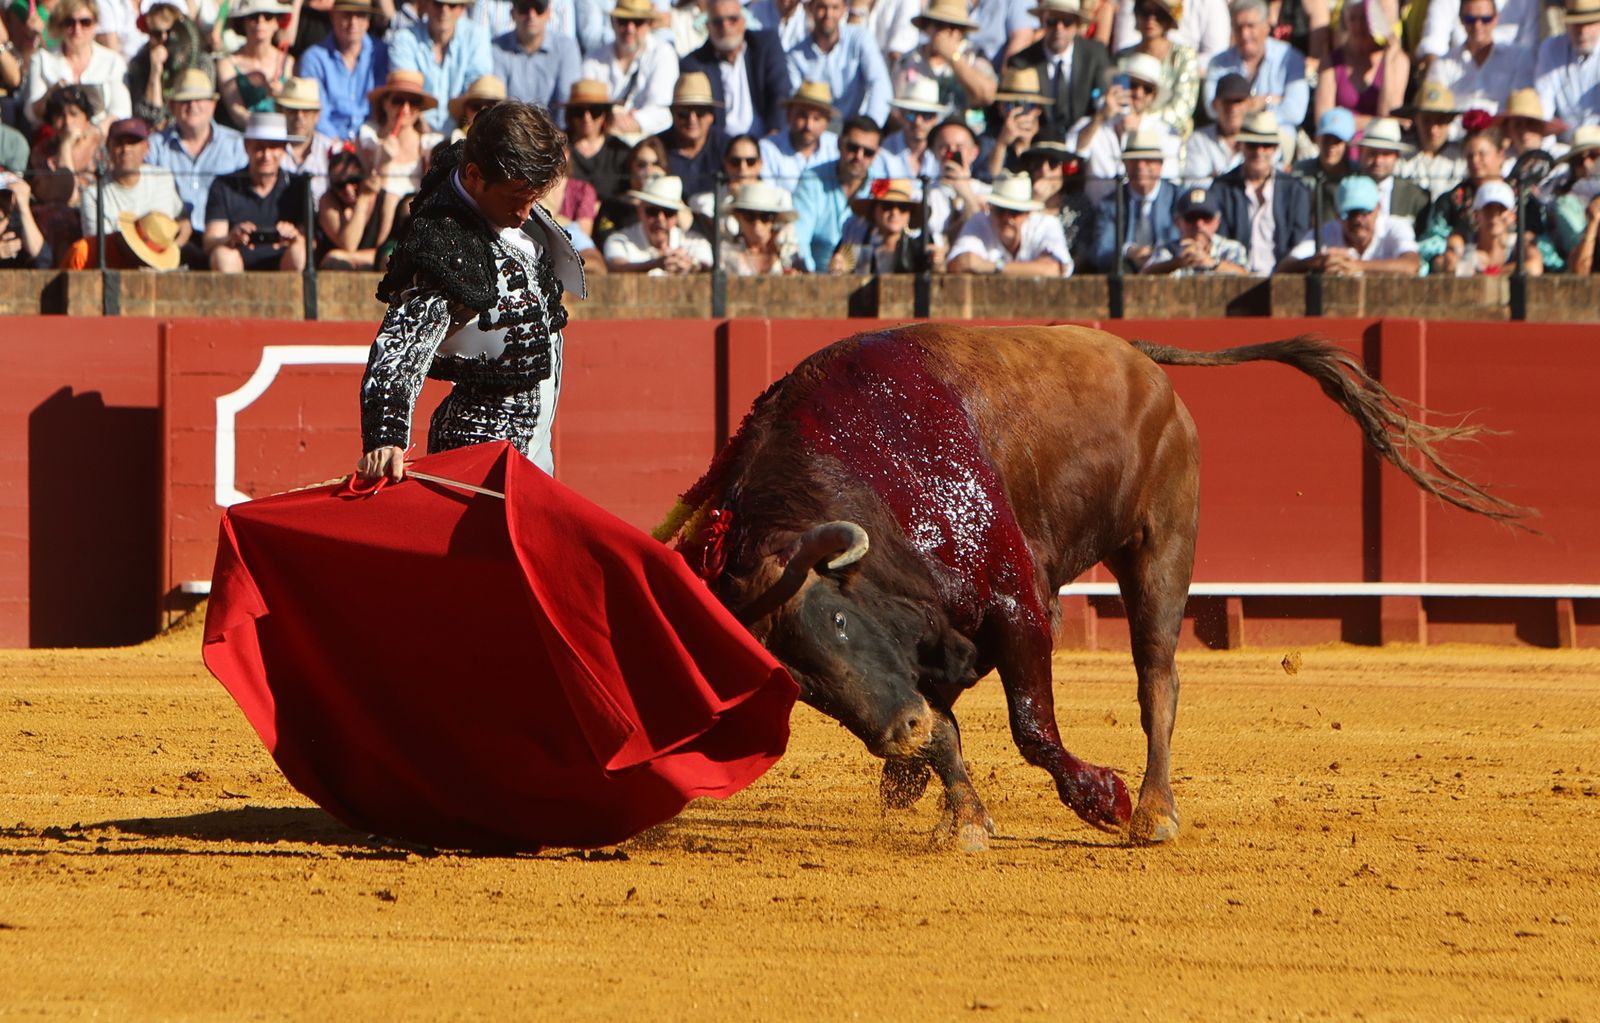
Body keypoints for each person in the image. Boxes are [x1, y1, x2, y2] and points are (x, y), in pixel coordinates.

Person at [358, 100, 585, 480]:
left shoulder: (495, 178)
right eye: (516, 199)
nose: (526, 213)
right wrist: (386, 434)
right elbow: (399, 347)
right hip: (477, 455)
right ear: (475, 177)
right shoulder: (446, 243)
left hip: (533, 449)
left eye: (533, 199)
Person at [145, 67, 248, 265]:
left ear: (213, 104)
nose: (193, 106)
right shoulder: (154, 146)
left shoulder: (236, 146)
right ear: (172, 106)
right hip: (169, 240)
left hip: (224, 240)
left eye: (200, 99)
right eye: (185, 101)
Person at [204, 111, 312, 271]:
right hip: (238, 263)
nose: (267, 155)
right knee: (222, 255)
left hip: (285, 263)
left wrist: (295, 236)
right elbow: (210, 242)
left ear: (283, 149)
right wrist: (231, 237)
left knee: (300, 251)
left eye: (274, 147)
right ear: (247, 146)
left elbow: (312, 242)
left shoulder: (297, 186)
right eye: (259, 147)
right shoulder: (224, 185)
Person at [1067, 51, 1178, 200]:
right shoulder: (1093, 124)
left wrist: (1136, 137)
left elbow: (1167, 181)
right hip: (1097, 215)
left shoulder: (1165, 133)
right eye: (1133, 85)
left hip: (1139, 214)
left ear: (1153, 96)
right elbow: (1073, 151)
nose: (1138, 93)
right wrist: (1100, 116)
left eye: (1147, 88)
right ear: (1119, 85)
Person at [1212, 109, 1312, 271]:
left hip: (1283, 280)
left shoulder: (1294, 190)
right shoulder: (1222, 188)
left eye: (1266, 145)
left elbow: (1299, 243)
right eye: (1252, 145)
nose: (1259, 152)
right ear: (1242, 146)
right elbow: (1220, 241)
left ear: (1275, 149)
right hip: (1234, 278)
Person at [678, 0, 792, 139]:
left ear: (744, 22)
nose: (725, 26)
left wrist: (774, 137)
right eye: (717, 21)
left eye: (732, 19)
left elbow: (779, 94)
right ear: (708, 27)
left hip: (766, 140)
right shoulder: (695, 63)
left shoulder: (765, 46)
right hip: (720, 149)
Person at [1006, 0, 1114, 138]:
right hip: (1037, 143)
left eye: (1067, 22)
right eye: (1052, 21)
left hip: (1084, 139)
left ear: (1077, 25)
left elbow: (1102, 98)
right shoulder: (1022, 62)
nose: (1059, 28)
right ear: (1042, 21)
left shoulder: (1094, 55)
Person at [1201, 0, 1308, 136]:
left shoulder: (1290, 58)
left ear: (1267, 26)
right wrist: (1266, 102)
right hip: (1232, 135)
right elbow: (1212, 109)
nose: (1245, 35)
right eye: (1239, 28)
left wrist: (1261, 104)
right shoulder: (1218, 63)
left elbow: (1295, 112)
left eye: (1250, 26)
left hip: (1274, 136)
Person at [1278, 173, 1420, 275]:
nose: (1358, 220)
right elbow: (1283, 268)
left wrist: (1358, 266)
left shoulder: (1396, 226)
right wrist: (1318, 262)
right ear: (1337, 213)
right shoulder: (1325, 232)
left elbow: (1411, 265)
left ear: (1378, 209)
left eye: (1364, 212)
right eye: (1350, 213)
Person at [791, 113, 882, 269]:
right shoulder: (812, 180)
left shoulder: (882, 186)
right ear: (839, 144)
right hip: (817, 281)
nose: (859, 156)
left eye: (868, 152)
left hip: (867, 282)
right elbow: (799, 241)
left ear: (876, 155)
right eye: (853, 148)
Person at [23, 0, 132, 127]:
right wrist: (51, 94)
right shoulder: (42, 59)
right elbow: (31, 114)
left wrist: (95, 134)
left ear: (95, 25)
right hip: (54, 135)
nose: (77, 29)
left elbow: (121, 111)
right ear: (60, 25)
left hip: (100, 138)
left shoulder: (113, 62)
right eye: (70, 22)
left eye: (85, 22)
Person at [579, 0, 678, 139]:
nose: (630, 29)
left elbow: (661, 110)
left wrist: (635, 121)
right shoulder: (594, 59)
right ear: (613, 22)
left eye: (637, 22)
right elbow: (585, 105)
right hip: (604, 144)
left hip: (647, 141)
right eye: (623, 21)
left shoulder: (663, 54)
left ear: (649, 24)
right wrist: (611, 121)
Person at [80, 117, 189, 243]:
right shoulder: (93, 193)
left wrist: (181, 235)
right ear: (108, 148)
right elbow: (99, 243)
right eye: (119, 143)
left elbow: (182, 220)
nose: (126, 149)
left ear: (146, 147)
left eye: (133, 142)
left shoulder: (163, 178)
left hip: (165, 257)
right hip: (117, 260)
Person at [388, 0, 492, 133]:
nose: (444, 10)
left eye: (452, 5)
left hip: (464, 133)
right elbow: (406, 91)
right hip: (415, 130)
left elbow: (477, 93)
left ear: (461, 9)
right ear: (425, 5)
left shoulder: (477, 36)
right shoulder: (404, 38)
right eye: (438, 3)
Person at [890, 0, 997, 128]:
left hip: (962, 140)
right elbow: (894, 111)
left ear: (962, 32)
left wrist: (953, 57)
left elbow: (987, 95)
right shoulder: (907, 62)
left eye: (954, 26)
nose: (946, 32)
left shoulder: (974, 58)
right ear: (927, 27)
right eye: (939, 25)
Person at [785, 0, 892, 125]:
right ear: (810, 8)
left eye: (835, 7)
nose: (828, 14)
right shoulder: (795, 55)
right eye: (821, 7)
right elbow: (796, 101)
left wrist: (870, 126)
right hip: (813, 131)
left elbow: (880, 83)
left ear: (844, 9)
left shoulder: (860, 39)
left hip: (853, 130)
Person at [359, 70, 445, 226]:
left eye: (413, 102)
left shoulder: (428, 147)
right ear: (385, 103)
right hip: (375, 226)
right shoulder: (368, 141)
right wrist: (382, 163)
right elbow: (365, 200)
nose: (405, 109)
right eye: (398, 101)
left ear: (420, 110)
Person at [1089, 125, 1179, 271]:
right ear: (1125, 165)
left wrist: (1155, 256)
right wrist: (1129, 252)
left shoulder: (1178, 198)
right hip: (1126, 273)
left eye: (1148, 160)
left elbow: (1184, 243)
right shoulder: (1111, 203)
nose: (1140, 167)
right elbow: (1101, 251)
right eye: (1134, 161)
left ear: (1160, 165)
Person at [296, 0, 389, 141]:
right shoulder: (314, 58)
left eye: (360, 15)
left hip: (373, 137)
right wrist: (339, 145)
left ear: (368, 20)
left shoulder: (381, 53)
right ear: (332, 16)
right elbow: (316, 113)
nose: (353, 22)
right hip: (327, 141)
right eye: (347, 15)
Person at [1423, 0, 1534, 117]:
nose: (1477, 25)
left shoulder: (1518, 59)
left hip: (1501, 132)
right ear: (1461, 20)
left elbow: (1522, 108)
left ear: (1496, 19)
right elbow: (1434, 108)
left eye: (1485, 19)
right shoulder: (1443, 64)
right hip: (1455, 132)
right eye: (1470, 19)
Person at [948, 172, 1074, 274]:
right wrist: (1031, 268)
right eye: (1001, 210)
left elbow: (1054, 269)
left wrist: (992, 267)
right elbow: (960, 263)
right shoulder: (979, 220)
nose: (1007, 218)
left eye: (1015, 212)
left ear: (1028, 214)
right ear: (990, 208)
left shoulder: (1047, 224)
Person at [1313, 0, 1406, 131]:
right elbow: (1323, 122)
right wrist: (1374, 121)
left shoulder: (1398, 60)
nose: (1358, 26)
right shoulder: (1331, 63)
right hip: (1340, 145)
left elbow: (1390, 120)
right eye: (1352, 19)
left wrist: (1389, 59)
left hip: (1379, 145)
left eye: (1363, 19)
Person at [1115, 0, 1199, 139]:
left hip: (1167, 138)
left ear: (1169, 19)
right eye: (1145, 12)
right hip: (1123, 132)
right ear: (1136, 14)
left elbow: (1183, 108)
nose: (1151, 19)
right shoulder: (1122, 57)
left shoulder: (1184, 57)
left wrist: (1144, 121)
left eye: (1159, 14)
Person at [126, 0, 213, 130]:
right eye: (156, 34)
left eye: (170, 33)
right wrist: (155, 73)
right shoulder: (140, 64)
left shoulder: (200, 62)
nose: (164, 39)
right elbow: (147, 118)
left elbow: (201, 107)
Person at [601, 173, 713, 272]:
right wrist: (656, 264)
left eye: (668, 212)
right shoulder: (619, 240)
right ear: (640, 211)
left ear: (676, 216)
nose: (660, 219)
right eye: (652, 211)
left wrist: (691, 265)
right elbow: (617, 267)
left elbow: (706, 265)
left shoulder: (695, 241)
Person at [490, 0, 579, 114]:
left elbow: (566, 102)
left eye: (539, 8)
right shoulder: (496, 48)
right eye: (524, 8)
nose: (531, 15)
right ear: (512, 13)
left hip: (555, 130)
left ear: (548, 13)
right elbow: (497, 101)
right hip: (510, 129)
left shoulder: (566, 47)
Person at [218, 0, 296, 130]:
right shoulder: (227, 63)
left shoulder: (288, 62)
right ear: (243, 22)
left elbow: (295, 112)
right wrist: (264, 128)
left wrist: (282, 97)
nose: (261, 21)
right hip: (241, 138)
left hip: (280, 136)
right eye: (253, 17)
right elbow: (237, 112)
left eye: (268, 16)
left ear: (277, 22)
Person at [829, 176, 933, 272]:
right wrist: (837, 269)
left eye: (903, 207)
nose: (894, 213)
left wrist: (937, 265)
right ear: (874, 211)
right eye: (887, 206)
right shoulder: (855, 247)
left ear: (910, 214)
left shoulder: (920, 250)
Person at [1140, 184, 1248, 274]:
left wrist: (1210, 262)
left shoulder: (1231, 248)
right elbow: (1144, 275)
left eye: (1206, 218)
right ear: (1177, 222)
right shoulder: (1167, 249)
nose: (1199, 224)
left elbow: (1245, 276)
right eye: (1191, 218)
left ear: (1217, 222)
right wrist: (1179, 262)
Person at [1443, 178, 1543, 275]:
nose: (1494, 216)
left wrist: (1490, 272)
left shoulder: (1520, 243)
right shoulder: (1463, 241)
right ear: (1476, 215)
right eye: (1488, 209)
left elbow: (1534, 268)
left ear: (1512, 216)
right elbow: (1448, 264)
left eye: (1501, 209)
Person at [1533, 0, 1600, 137]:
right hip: (1563, 148)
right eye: (1577, 24)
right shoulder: (1551, 48)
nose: (1583, 31)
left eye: (1589, 23)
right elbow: (1543, 107)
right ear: (1567, 23)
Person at [656, 71, 727, 196]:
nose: (692, 119)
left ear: (711, 115)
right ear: (672, 113)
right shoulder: (656, 148)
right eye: (683, 113)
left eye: (700, 112)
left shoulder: (727, 148)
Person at [316, 144, 388, 267]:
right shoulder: (327, 200)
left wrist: (344, 255)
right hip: (337, 273)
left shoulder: (386, 200)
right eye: (340, 184)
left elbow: (384, 254)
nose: (348, 189)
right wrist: (362, 200)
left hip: (377, 272)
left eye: (354, 180)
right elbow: (349, 244)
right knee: (338, 264)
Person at [564, 79, 632, 208]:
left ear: (605, 114)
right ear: (570, 114)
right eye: (579, 111)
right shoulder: (558, 148)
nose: (586, 117)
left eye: (595, 110)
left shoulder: (620, 151)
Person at [759, 80, 840, 189]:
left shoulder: (837, 148)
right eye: (802, 116)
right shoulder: (768, 149)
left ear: (827, 122)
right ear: (788, 115)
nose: (808, 125)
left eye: (816, 118)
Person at [1396, 81, 1467, 199]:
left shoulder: (1461, 158)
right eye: (1426, 121)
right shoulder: (1401, 154)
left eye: (1440, 121)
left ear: (1450, 120)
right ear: (1415, 119)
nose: (1433, 130)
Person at [983, 67, 1052, 180]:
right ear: (1000, 108)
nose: (1020, 113)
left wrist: (1027, 145)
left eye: (1028, 106)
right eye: (1011, 105)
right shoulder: (988, 140)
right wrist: (1001, 144)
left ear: (1038, 109)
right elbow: (988, 180)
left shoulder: (1049, 140)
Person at [1181, 71, 1249, 184]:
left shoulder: (1259, 142)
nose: (1233, 108)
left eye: (1238, 101)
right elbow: (1195, 187)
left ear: (1249, 104)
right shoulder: (1198, 140)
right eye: (1227, 102)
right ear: (1215, 105)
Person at [1358, 118, 1429, 227]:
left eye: (1386, 154)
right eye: (1372, 153)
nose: (1378, 161)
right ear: (1361, 153)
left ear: (1397, 156)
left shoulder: (1416, 196)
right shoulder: (1343, 191)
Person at [1550, 124, 1600, 272]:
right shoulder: (1566, 204)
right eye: (1579, 160)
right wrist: (1593, 220)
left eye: (1594, 155)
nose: (1587, 164)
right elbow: (1579, 269)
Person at [279, 76, 338, 199]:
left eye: (306, 111)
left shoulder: (332, 149)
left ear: (317, 115)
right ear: (281, 112)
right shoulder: (270, 150)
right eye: (293, 110)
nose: (299, 116)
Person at [724, 179, 799, 274]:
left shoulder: (789, 249)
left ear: (774, 219)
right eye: (749, 215)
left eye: (765, 216)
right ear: (738, 217)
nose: (757, 224)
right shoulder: (725, 253)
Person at [1291, 106, 1351, 222]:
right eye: (1326, 140)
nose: (1331, 147)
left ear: (1347, 144)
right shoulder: (1301, 171)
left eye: (1337, 141)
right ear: (1317, 140)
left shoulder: (1356, 174)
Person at [883, 78, 946, 179]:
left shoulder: (943, 151)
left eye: (926, 115)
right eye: (911, 114)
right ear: (900, 116)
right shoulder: (883, 151)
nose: (918, 122)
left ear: (935, 119)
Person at [0, 174, 51, 268]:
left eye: (5, 195)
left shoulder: (21, 225)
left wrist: (24, 208)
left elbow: (43, 260)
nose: (1, 201)